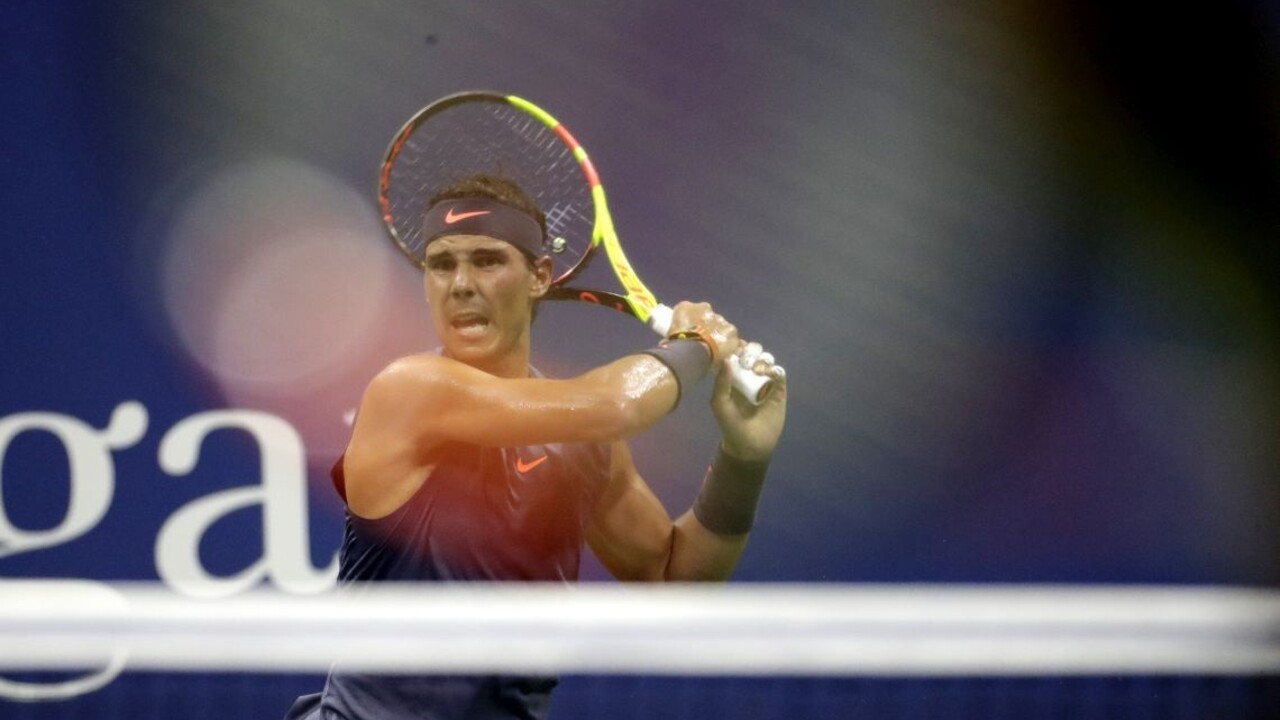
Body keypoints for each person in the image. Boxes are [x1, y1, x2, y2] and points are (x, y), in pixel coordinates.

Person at [285, 174, 787, 719]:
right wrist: (697, 344)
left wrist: (743, 458)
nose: (461, 284)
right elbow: (618, 404)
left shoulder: (586, 446)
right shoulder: (408, 391)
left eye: (487, 261)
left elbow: (671, 581)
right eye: (442, 264)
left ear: (540, 276)